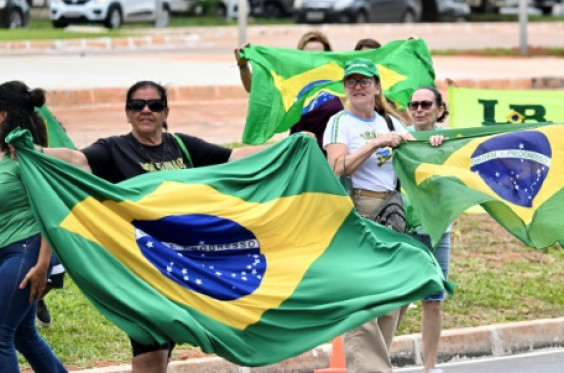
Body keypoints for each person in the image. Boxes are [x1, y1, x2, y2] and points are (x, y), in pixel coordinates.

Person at [41, 80, 287, 373]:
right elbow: (76, 159)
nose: (146, 111)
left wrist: (288, 144)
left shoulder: (182, 146)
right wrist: (34, 151)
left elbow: (232, 157)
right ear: (128, 112)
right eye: (137, 105)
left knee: (165, 350)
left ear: (165, 111)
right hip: (144, 272)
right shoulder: (113, 149)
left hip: (185, 270)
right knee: (150, 352)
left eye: (154, 105)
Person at [323, 59, 410, 373]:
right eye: (351, 82)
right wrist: (374, 144)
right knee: (364, 297)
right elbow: (337, 167)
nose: (357, 87)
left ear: (376, 86)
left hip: (391, 212)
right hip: (357, 211)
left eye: (363, 81)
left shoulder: (391, 122)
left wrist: (433, 141)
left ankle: (377, 365)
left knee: (391, 295)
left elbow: (416, 151)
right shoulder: (339, 122)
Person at [0, 81, 68, 373]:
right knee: (24, 335)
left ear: (3, 115)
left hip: (26, 252)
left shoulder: (27, 158)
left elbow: (49, 211)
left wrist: (43, 266)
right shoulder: (5, 156)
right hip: (7, 252)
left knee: (0, 334)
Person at [404, 86, 451, 373]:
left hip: (438, 230)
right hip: (405, 229)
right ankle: (381, 363)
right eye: (414, 105)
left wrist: (442, 148)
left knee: (433, 300)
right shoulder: (400, 137)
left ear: (439, 109)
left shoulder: (451, 140)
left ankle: (429, 367)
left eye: (425, 104)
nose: (419, 109)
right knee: (398, 299)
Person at [235, 31, 344, 151]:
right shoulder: (291, 82)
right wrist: (243, 66)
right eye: (307, 55)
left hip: (334, 156)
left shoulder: (339, 79)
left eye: (318, 54)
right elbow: (254, 88)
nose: (312, 59)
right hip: (300, 153)